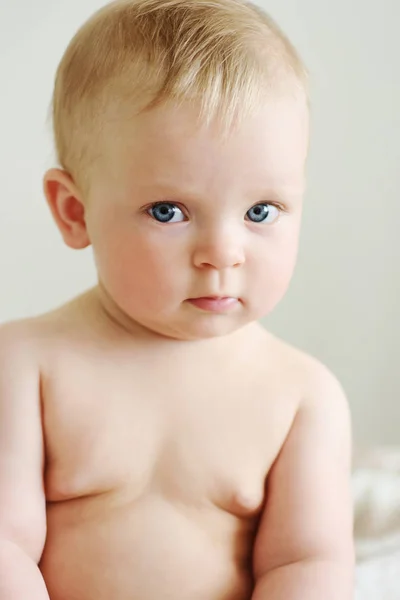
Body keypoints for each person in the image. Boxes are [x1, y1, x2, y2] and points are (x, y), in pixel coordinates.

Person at [0, 0, 355, 598]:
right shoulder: (26, 367)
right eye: (169, 211)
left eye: (260, 211)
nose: (223, 252)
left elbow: (308, 565)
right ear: (75, 211)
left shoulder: (301, 397)